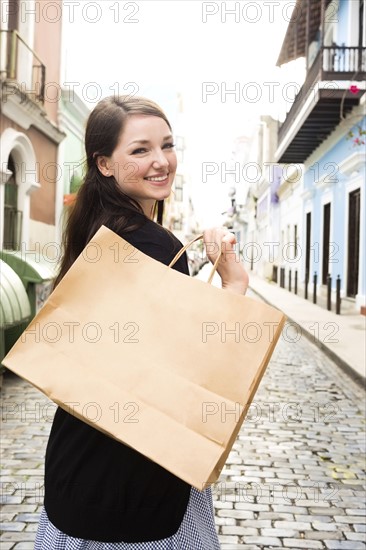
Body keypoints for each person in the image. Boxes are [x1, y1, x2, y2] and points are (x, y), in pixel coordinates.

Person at [34, 95, 248, 549]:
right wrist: (233, 284)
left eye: (167, 146)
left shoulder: (97, 228)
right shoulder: (152, 246)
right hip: (136, 480)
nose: (161, 161)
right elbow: (195, 371)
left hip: (79, 466)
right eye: (140, 150)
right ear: (105, 164)